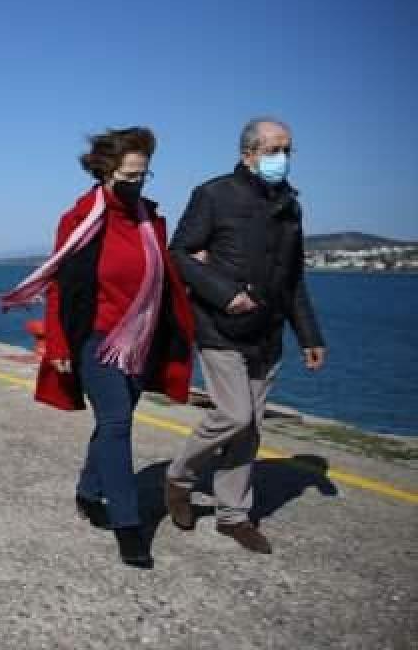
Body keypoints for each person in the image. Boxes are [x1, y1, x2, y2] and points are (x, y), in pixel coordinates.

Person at [0, 127, 195, 569]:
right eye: (128, 176)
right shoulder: (80, 218)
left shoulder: (149, 219)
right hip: (95, 339)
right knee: (117, 422)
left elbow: (164, 279)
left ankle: (87, 491)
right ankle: (128, 526)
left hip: (141, 339)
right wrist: (59, 345)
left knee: (112, 425)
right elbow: (62, 289)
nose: (136, 184)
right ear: (105, 171)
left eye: (144, 176)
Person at [164, 117, 327, 555]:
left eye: (288, 150)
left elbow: (293, 279)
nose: (283, 159)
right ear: (249, 154)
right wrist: (226, 294)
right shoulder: (213, 194)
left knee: (250, 427)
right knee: (234, 416)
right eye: (274, 150)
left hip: (268, 332)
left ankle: (232, 515)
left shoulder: (290, 205)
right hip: (220, 327)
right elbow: (179, 252)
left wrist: (309, 336)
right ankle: (178, 478)